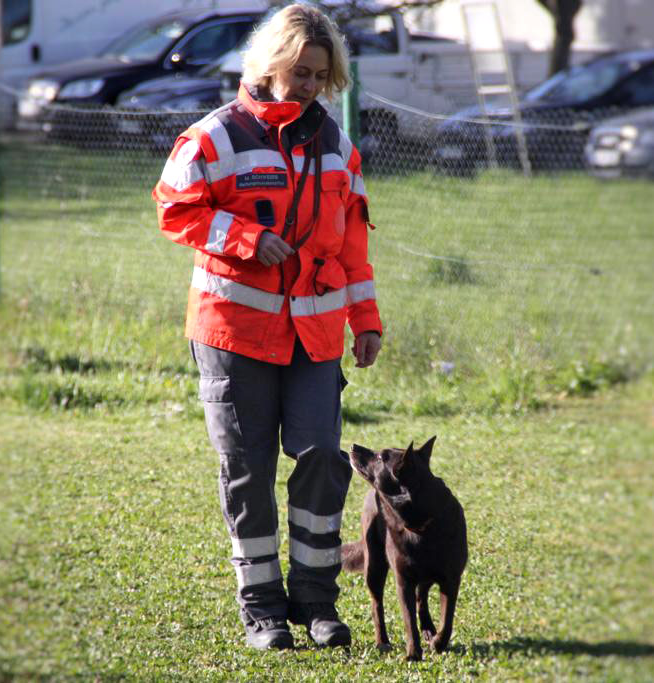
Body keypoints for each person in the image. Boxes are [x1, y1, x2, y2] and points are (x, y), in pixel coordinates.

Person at [151, 3, 382, 651]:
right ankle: (262, 609)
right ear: (271, 63)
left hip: (315, 335)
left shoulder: (338, 146)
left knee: (322, 459)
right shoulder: (213, 137)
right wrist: (244, 237)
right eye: (299, 71)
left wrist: (365, 320)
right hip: (232, 333)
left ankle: (316, 600)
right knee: (247, 469)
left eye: (320, 74)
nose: (308, 84)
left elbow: (351, 249)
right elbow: (174, 210)